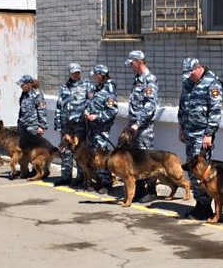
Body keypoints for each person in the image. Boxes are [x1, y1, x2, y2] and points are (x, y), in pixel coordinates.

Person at [178, 57, 223, 219]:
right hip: (189, 132)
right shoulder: (188, 83)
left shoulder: (213, 84)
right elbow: (182, 106)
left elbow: (215, 111)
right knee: (191, 170)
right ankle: (199, 203)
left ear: (199, 68)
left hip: (202, 134)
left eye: (191, 73)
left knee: (201, 172)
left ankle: (205, 206)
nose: (189, 77)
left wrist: (209, 133)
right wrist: (182, 127)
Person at [124, 50, 159, 203]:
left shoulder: (149, 80)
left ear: (138, 62)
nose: (131, 67)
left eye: (132, 63)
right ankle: (139, 189)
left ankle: (151, 190)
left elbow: (150, 106)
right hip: (134, 127)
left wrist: (138, 124)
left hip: (143, 128)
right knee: (135, 158)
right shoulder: (137, 79)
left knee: (146, 159)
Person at [54, 63, 92, 187]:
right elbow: (59, 106)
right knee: (65, 151)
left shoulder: (86, 85)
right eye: (74, 72)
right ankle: (66, 177)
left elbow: (91, 102)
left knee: (79, 151)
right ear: (69, 73)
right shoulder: (64, 87)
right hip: (66, 124)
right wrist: (58, 125)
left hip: (80, 124)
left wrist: (88, 115)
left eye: (78, 72)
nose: (76, 74)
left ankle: (81, 177)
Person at [84, 64, 118, 193]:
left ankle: (106, 182)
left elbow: (112, 111)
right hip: (92, 128)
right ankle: (98, 180)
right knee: (93, 154)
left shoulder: (109, 90)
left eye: (95, 75)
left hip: (101, 128)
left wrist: (96, 117)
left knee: (102, 154)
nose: (93, 77)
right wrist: (87, 112)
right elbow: (89, 102)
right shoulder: (95, 88)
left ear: (101, 75)